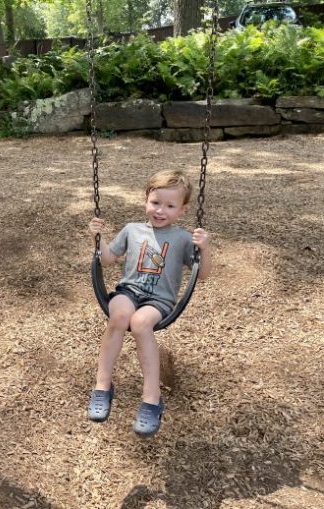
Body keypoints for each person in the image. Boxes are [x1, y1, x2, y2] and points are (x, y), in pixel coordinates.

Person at [87, 169, 211, 437]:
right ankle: (102, 385)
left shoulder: (183, 238)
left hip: (158, 300)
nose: (160, 210)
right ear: (146, 200)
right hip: (128, 291)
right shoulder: (132, 230)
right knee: (120, 316)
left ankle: (151, 399)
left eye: (170, 206)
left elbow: (202, 274)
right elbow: (107, 260)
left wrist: (204, 248)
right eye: (155, 203)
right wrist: (98, 238)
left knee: (141, 323)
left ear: (183, 209)